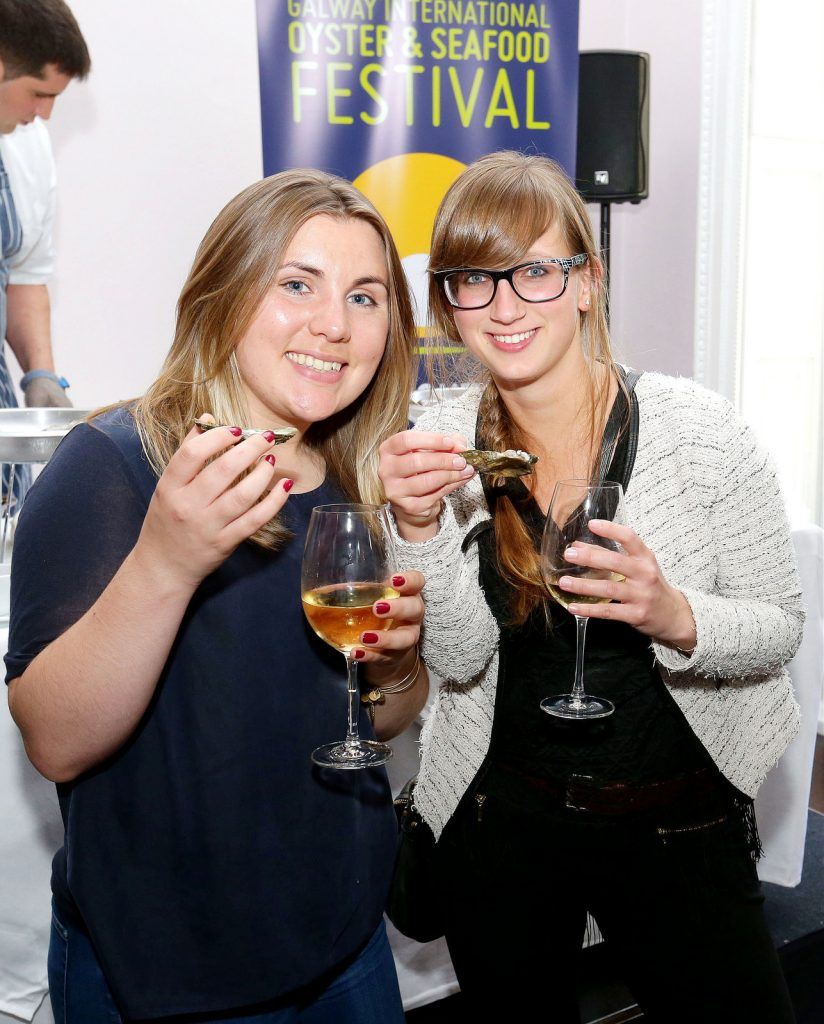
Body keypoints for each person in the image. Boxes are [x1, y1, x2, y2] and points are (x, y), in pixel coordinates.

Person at [378, 151, 802, 1023]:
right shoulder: (440, 444)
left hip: (677, 822)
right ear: (447, 306)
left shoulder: (701, 433)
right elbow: (457, 661)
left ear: (586, 282)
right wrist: (414, 530)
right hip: (502, 820)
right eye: (471, 280)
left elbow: (780, 628)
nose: (502, 306)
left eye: (533, 271)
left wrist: (675, 613)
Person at [6, 168, 428, 1023]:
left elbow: (377, 719)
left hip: (346, 945)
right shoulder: (112, 465)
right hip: (167, 969)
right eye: (297, 284)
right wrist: (168, 559)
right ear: (224, 290)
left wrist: (397, 663)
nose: (332, 325)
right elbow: (54, 740)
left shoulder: (348, 476)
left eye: (366, 297)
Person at [0, 0, 90, 409]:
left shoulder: (27, 144)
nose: (45, 114)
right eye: (39, 94)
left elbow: (23, 273)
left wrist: (41, 375)